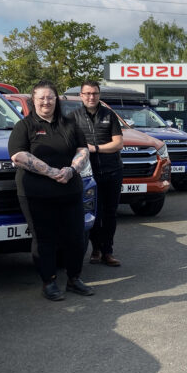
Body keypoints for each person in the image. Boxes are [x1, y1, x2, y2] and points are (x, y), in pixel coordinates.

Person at [9, 81, 93, 301]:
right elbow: (18, 155)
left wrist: (71, 169)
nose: (46, 102)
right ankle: (49, 282)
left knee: (76, 237)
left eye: (50, 97)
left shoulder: (69, 124)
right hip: (37, 194)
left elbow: (82, 150)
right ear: (33, 101)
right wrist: (50, 171)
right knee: (44, 238)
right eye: (41, 98)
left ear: (57, 100)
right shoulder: (24, 126)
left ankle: (74, 279)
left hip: (70, 190)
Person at [68, 80, 125, 267]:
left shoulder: (109, 115)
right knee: (93, 213)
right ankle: (96, 249)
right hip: (87, 175)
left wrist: (95, 148)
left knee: (110, 213)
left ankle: (108, 251)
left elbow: (118, 143)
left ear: (99, 95)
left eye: (94, 93)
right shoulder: (73, 117)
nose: (91, 97)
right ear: (81, 96)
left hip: (112, 171)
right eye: (87, 94)